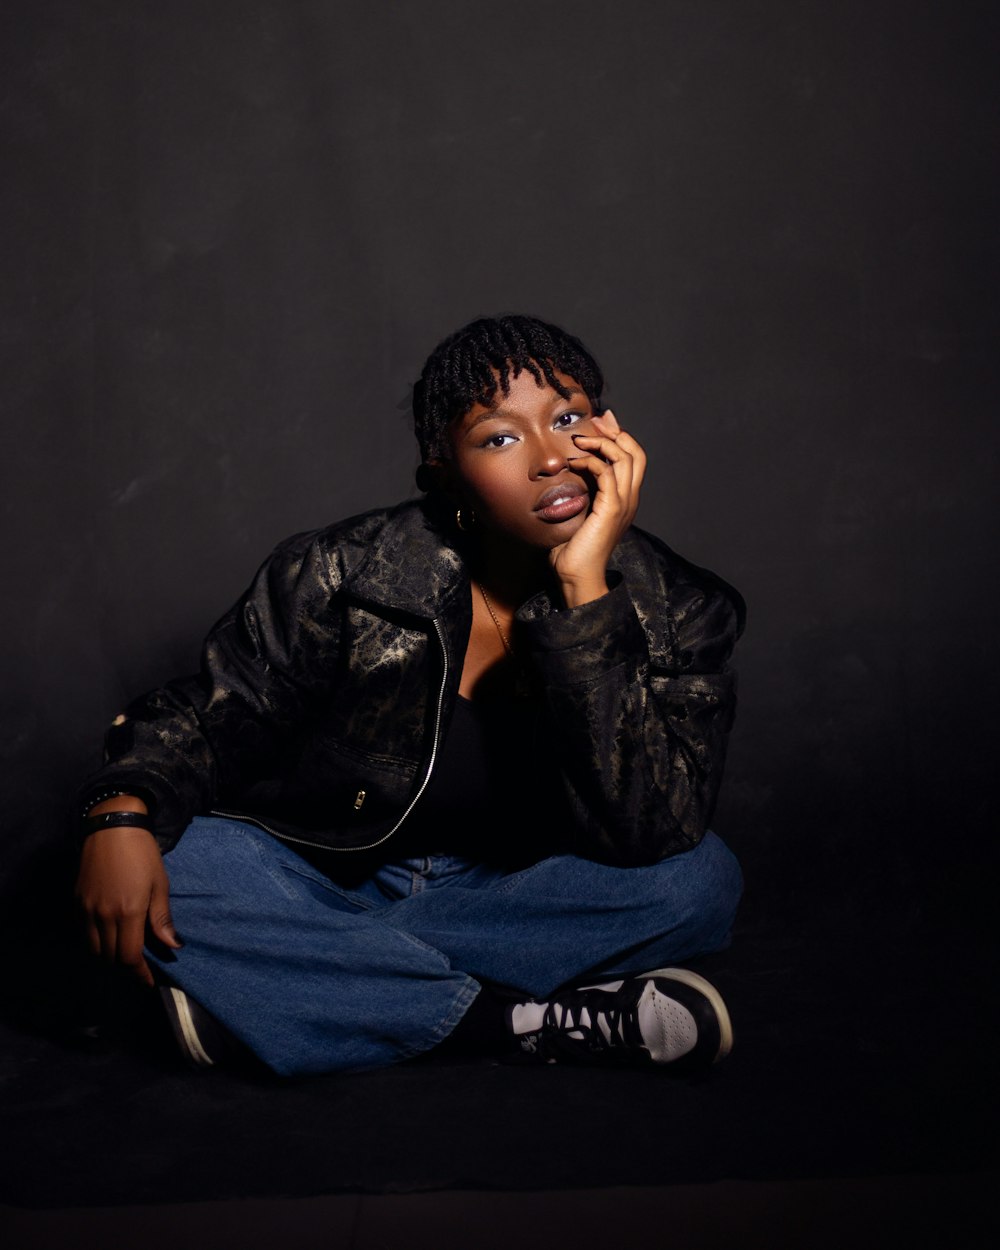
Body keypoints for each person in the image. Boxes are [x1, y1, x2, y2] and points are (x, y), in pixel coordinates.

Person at [74, 314, 745, 1076]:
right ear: (443, 470)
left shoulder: (682, 605)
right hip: (326, 868)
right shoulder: (340, 572)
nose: (552, 457)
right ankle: (517, 1024)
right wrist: (119, 815)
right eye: (499, 438)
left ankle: (296, 984)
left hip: (519, 886)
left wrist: (587, 597)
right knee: (185, 863)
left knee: (700, 881)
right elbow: (208, 717)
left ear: (611, 429)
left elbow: (646, 832)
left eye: (568, 417)